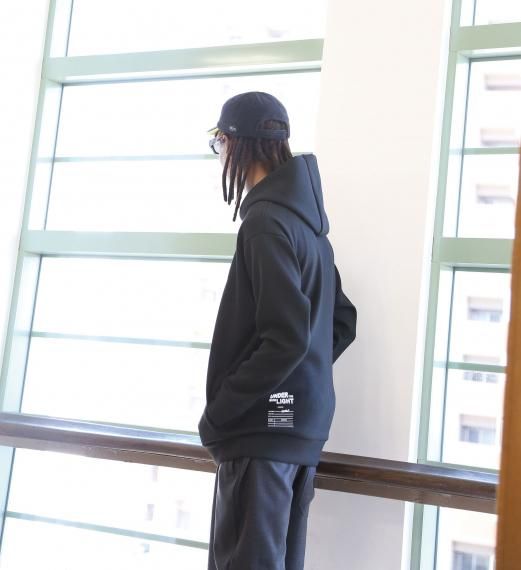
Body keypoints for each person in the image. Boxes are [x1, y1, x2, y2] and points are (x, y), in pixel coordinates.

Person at [198, 91, 357, 570]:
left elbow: (287, 337)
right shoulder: (310, 228)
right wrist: (300, 383)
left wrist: (221, 412)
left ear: (234, 143)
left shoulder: (265, 223)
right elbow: (341, 322)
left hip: (261, 434)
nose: (219, 152)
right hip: (300, 431)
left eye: (218, 141)